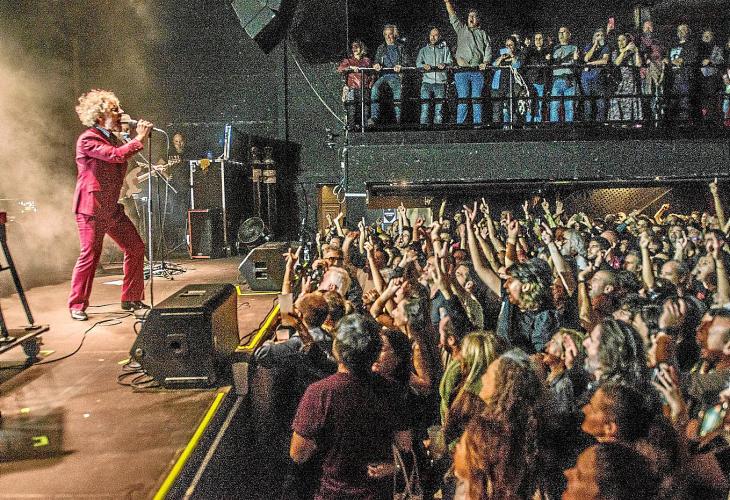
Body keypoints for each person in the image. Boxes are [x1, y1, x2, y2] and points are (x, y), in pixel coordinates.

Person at [68, 90, 152, 320]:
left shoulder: (113, 138)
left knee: (135, 247)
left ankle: (131, 298)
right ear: (99, 116)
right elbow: (115, 156)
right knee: (90, 255)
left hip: (111, 208)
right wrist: (138, 139)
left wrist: (129, 138)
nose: (121, 112)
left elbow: (120, 154)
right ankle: (77, 304)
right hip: (91, 208)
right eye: (114, 110)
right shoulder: (88, 139)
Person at [443, 0, 492, 125]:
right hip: (462, 71)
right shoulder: (461, 29)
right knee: (463, 99)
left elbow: (488, 49)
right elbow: (453, 16)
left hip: (477, 71)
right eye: (470, 16)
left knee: (476, 99)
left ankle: (477, 125)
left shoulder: (483, 33)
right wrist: (447, 2)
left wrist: (486, 62)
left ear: (478, 19)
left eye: (474, 16)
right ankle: (460, 125)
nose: (471, 18)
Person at [369, 25, 409, 126]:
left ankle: (398, 120)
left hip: (396, 76)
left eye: (390, 34)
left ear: (395, 35)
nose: (388, 37)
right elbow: (376, 61)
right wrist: (376, 65)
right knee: (374, 89)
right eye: (386, 35)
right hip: (384, 76)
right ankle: (374, 117)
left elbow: (407, 61)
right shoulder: (381, 48)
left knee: (398, 95)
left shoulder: (401, 47)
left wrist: (401, 66)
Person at [416, 27, 453, 126]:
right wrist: (423, 65)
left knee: (439, 109)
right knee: (425, 108)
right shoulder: (423, 50)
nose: (433, 37)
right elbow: (418, 64)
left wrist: (445, 64)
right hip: (427, 82)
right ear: (428, 36)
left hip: (440, 82)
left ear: (439, 36)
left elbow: (450, 62)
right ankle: (423, 129)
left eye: (435, 35)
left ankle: (438, 130)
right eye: (431, 35)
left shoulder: (445, 49)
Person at [337, 39, 373, 130]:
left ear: (362, 48)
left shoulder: (366, 60)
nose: (355, 49)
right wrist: (350, 67)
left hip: (364, 88)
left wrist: (370, 85)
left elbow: (371, 73)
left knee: (364, 110)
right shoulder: (348, 61)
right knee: (351, 109)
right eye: (353, 47)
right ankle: (352, 127)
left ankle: (364, 128)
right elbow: (340, 69)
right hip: (352, 88)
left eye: (357, 46)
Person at [609, 33, 644, 124]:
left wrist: (636, 52)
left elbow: (638, 64)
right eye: (619, 40)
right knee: (619, 101)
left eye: (623, 40)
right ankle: (618, 122)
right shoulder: (615, 52)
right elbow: (616, 63)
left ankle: (630, 122)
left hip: (631, 82)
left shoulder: (632, 53)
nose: (621, 42)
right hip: (620, 82)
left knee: (630, 101)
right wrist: (624, 51)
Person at [550, 26, 580, 123]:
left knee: (569, 106)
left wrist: (575, 59)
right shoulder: (554, 48)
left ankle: (569, 126)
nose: (561, 34)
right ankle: (554, 127)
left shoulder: (574, 48)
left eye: (564, 32)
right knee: (554, 106)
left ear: (569, 34)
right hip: (556, 79)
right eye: (560, 32)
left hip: (569, 80)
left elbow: (577, 64)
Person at [581, 28, 611, 123]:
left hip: (599, 75)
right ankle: (588, 123)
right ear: (594, 37)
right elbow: (586, 58)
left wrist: (591, 63)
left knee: (600, 101)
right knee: (588, 101)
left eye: (602, 35)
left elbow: (604, 60)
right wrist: (594, 45)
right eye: (598, 35)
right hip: (587, 76)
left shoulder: (606, 47)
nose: (600, 37)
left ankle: (600, 123)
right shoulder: (589, 46)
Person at [524, 32, 551, 123]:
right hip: (531, 81)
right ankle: (528, 123)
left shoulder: (547, 51)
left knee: (539, 104)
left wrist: (547, 60)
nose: (538, 41)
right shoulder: (530, 51)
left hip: (542, 81)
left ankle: (537, 123)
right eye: (536, 39)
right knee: (530, 104)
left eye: (540, 38)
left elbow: (548, 66)